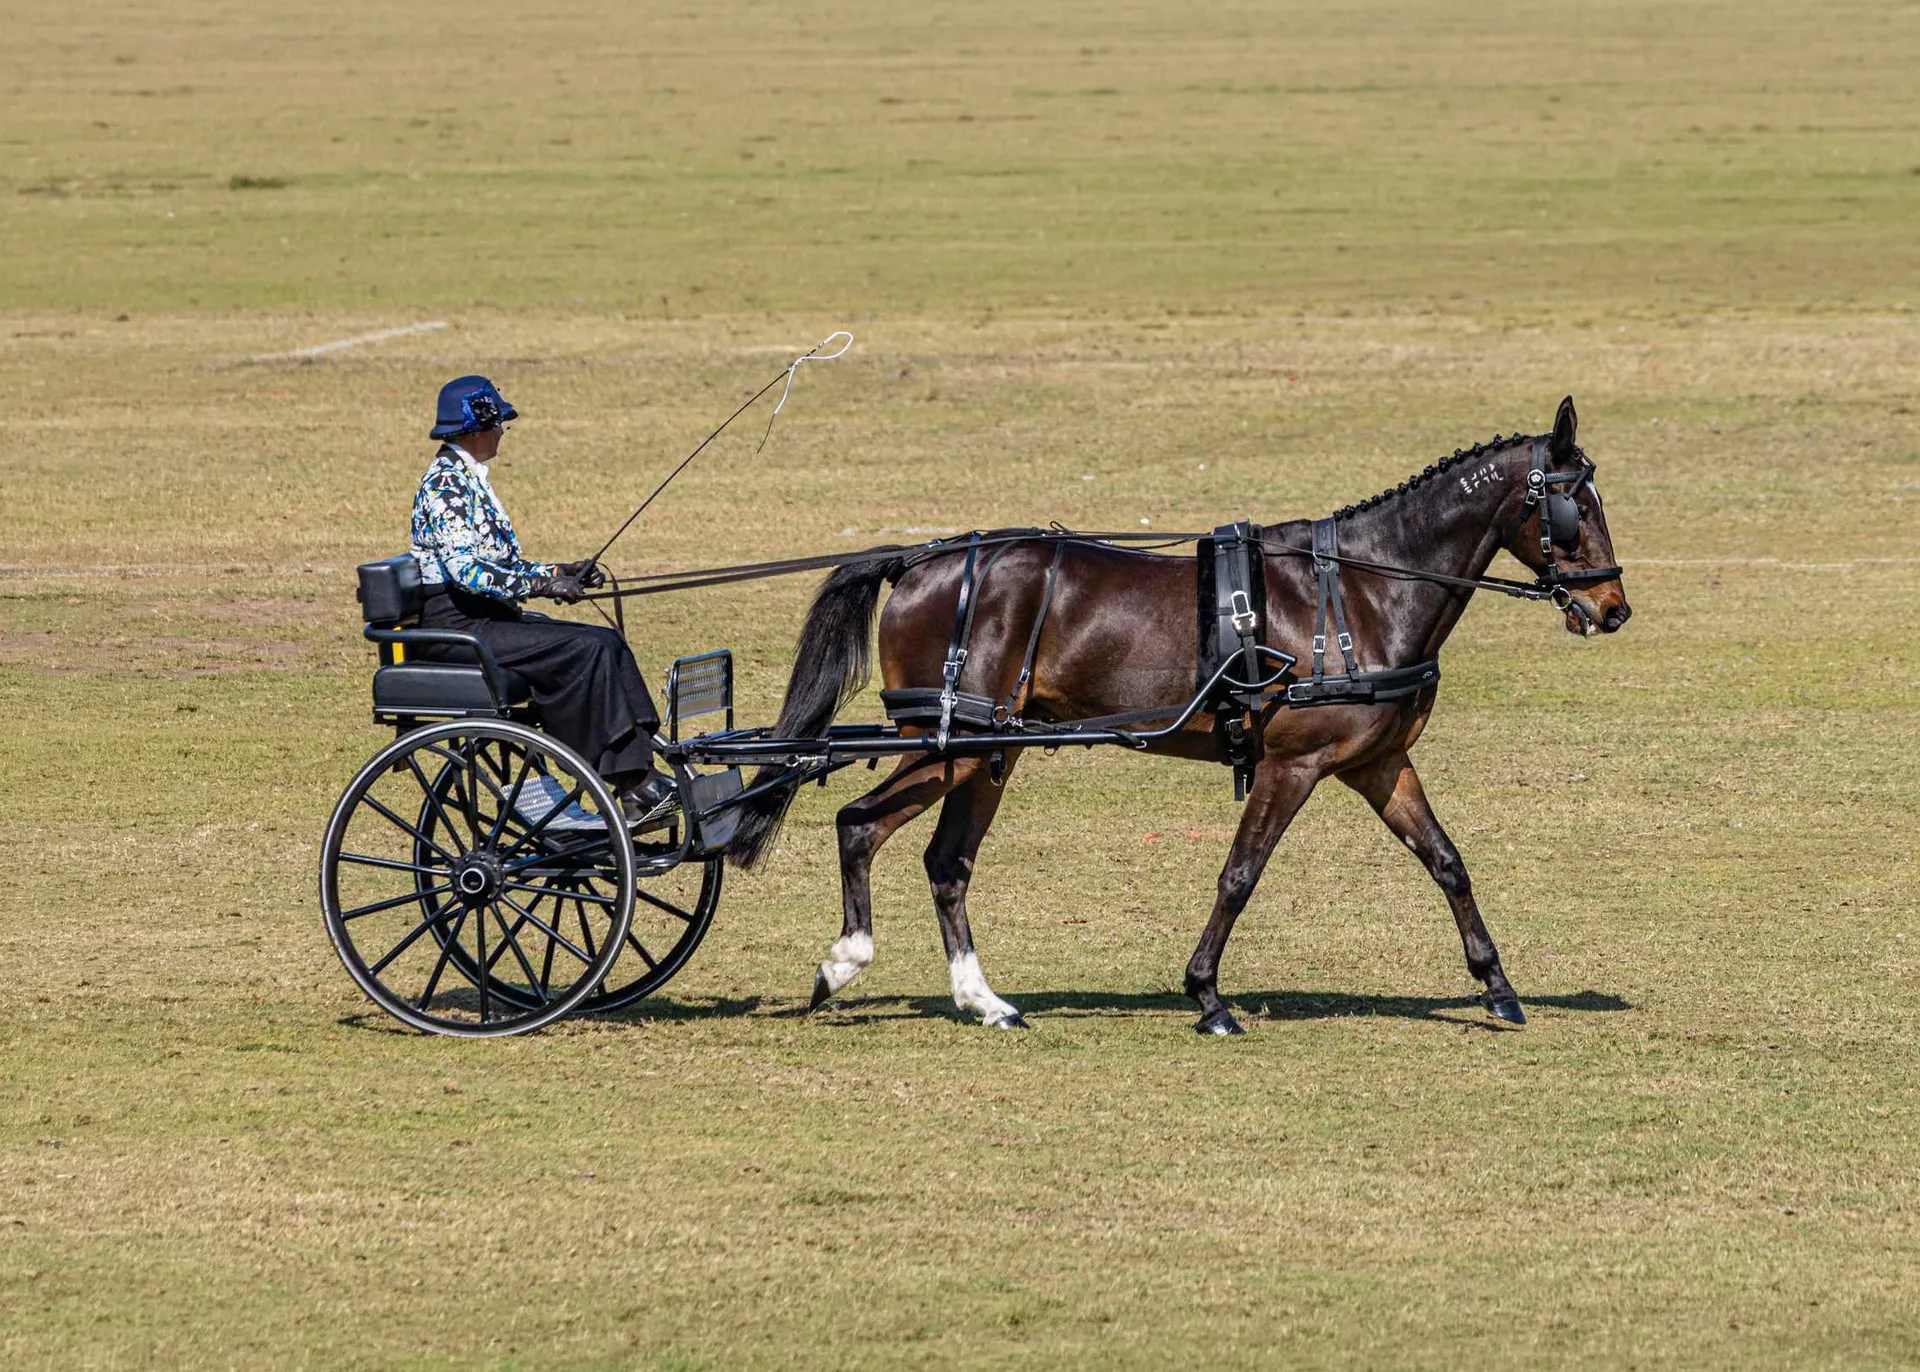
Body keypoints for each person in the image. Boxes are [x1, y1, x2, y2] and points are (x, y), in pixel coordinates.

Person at [409, 374, 676, 822]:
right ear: (477, 428)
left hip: (487, 616)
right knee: (583, 651)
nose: (502, 432)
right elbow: (467, 571)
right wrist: (540, 587)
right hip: (457, 625)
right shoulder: (446, 486)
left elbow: (499, 564)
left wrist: (557, 572)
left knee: (604, 641)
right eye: (499, 424)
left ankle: (638, 766)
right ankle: (630, 784)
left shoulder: (468, 478)